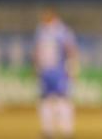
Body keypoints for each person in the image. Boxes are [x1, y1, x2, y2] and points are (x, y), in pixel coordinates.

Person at [33, 8, 79, 139]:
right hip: (45, 71)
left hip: (59, 70)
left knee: (63, 98)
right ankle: (47, 130)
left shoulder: (62, 31)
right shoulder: (41, 31)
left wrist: (72, 66)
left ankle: (66, 130)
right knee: (45, 100)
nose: (44, 18)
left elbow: (71, 49)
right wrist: (36, 67)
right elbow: (37, 50)